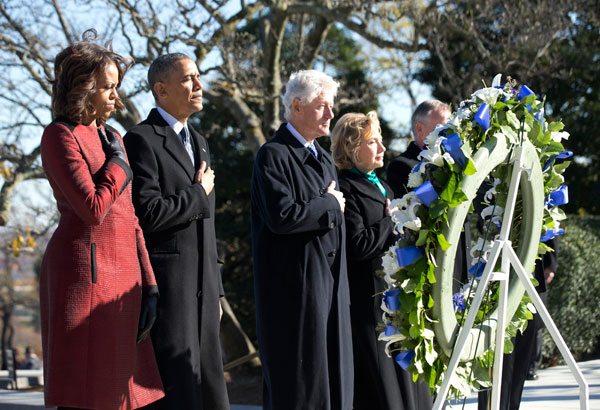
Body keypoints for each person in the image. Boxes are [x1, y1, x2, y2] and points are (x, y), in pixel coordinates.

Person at [40, 29, 164, 410]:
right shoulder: (59, 136)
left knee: (122, 396)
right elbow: (92, 208)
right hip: (84, 279)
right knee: (85, 395)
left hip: (126, 275)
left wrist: (149, 282)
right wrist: (118, 166)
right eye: (108, 87)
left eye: (117, 86)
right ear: (83, 87)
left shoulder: (112, 136)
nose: (117, 96)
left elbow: (130, 217)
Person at [123, 53, 229, 410]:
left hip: (204, 288)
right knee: (177, 393)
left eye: (198, 76)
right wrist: (198, 194)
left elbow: (207, 225)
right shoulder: (140, 140)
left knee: (210, 390)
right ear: (161, 90)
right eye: (188, 79)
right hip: (170, 291)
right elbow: (147, 214)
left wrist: (217, 291)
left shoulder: (200, 141)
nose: (199, 85)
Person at [251, 69, 353, 410]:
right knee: (300, 390)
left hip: (329, 287)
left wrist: (325, 206)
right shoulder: (273, 155)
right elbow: (283, 217)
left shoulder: (323, 157)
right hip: (294, 292)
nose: (331, 114)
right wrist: (327, 203)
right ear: (296, 106)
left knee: (329, 386)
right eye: (323, 106)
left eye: (331, 106)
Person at [331, 111, 433, 410]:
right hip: (369, 305)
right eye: (373, 142)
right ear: (351, 147)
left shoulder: (382, 186)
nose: (382, 148)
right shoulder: (345, 187)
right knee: (381, 393)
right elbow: (357, 245)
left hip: (395, 301)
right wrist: (390, 221)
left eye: (380, 141)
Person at [477, 238, 558, 410]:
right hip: (498, 264)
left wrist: (551, 262)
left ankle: (512, 405)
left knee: (522, 348)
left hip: (530, 271)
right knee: (496, 353)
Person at [386, 100, 450, 197]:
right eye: (441, 128)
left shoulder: (452, 159)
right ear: (420, 128)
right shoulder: (400, 167)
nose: (447, 133)